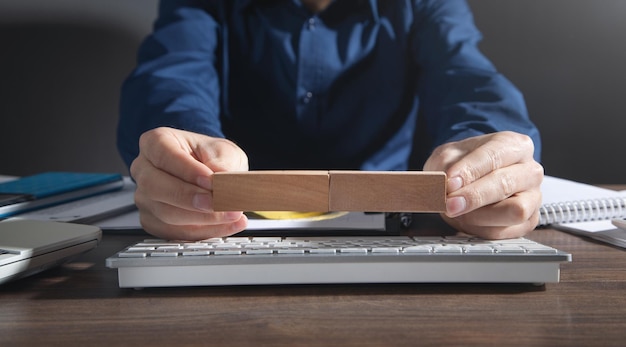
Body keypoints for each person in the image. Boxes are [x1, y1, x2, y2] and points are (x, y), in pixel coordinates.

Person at [117, 0, 544, 241]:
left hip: (397, 226)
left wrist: (485, 154)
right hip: (229, 227)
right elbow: (172, 76)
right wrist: (183, 147)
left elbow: (467, 76)